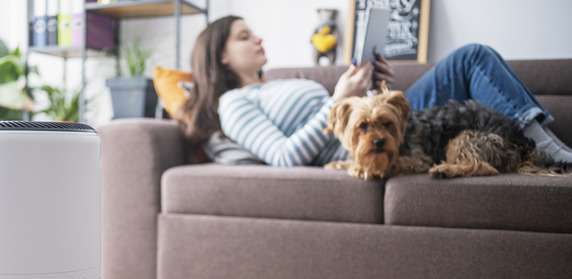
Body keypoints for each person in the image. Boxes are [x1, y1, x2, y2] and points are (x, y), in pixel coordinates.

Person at [178, 15, 572, 167]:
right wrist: (336, 99)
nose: (258, 38)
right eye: (245, 36)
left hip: (386, 120)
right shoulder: (234, 103)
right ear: (221, 56)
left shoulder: (274, 82)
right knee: (471, 56)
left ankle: (546, 147)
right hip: (354, 144)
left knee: (472, 56)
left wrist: (371, 86)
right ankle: (553, 156)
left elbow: (362, 114)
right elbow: (283, 156)